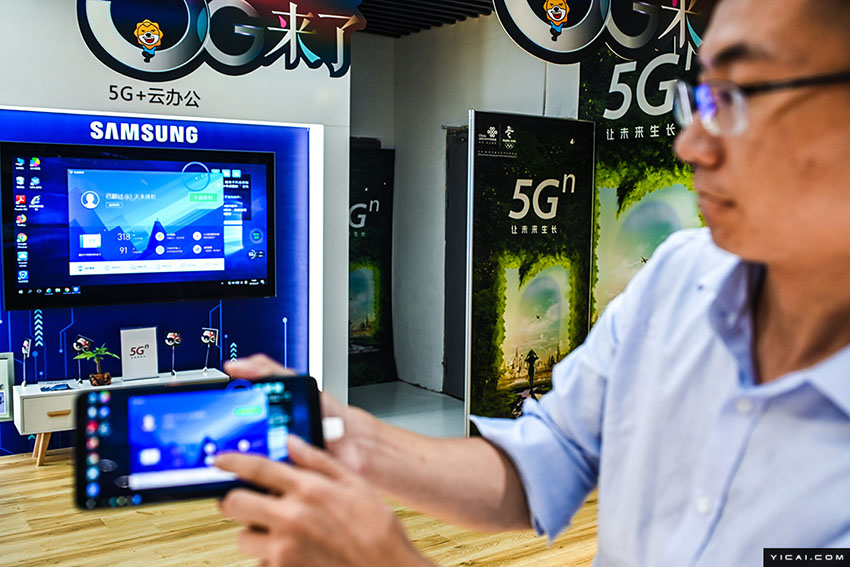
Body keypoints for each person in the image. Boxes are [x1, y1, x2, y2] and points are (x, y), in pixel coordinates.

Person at [215, 0, 850, 565]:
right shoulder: (679, 278)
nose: (692, 146)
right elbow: (549, 457)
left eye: (743, 94)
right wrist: (354, 440)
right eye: (703, 97)